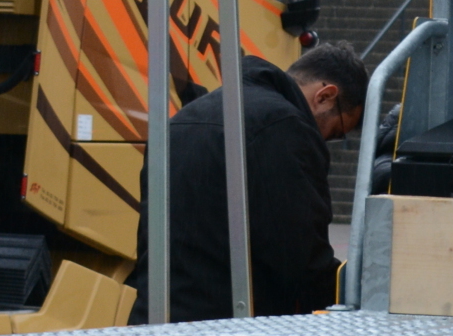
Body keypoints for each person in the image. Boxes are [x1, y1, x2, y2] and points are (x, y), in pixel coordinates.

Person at [137, 42, 367, 321]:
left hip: (156, 315)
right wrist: (353, 297)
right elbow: (301, 256)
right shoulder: (285, 127)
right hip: (228, 331)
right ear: (326, 96)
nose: (326, 140)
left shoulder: (184, 117)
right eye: (335, 132)